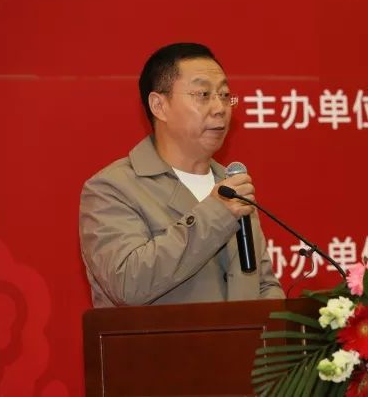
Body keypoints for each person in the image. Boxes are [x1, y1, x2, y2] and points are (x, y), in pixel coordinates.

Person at [79, 43, 284, 307]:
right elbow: (128, 284)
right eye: (203, 94)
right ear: (159, 105)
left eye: (224, 95)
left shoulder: (230, 183)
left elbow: (263, 284)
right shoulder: (112, 188)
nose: (220, 107)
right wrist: (217, 213)